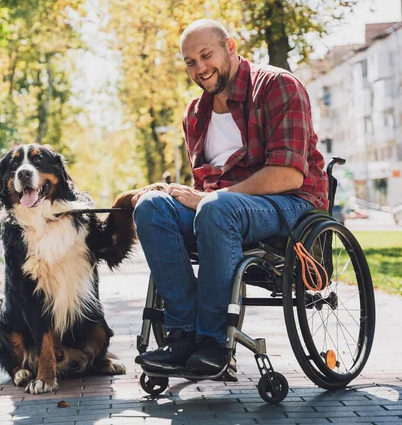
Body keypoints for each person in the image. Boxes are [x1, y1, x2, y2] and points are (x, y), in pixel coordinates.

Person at [132, 19, 328, 375]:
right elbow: (205, 190)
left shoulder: (278, 86)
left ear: (231, 47)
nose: (200, 68)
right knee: (151, 208)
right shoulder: (195, 114)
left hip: (291, 204)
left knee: (216, 208)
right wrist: (179, 196)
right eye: (190, 62)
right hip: (223, 211)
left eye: (206, 55)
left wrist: (212, 199)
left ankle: (214, 343)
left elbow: (288, 174)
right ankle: (183, 336)